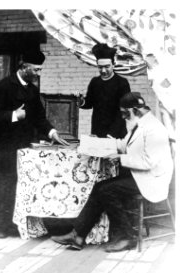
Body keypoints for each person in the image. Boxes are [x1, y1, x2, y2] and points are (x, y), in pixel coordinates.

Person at [51, 92, 173, 252]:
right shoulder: (139, 123)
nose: (122, 117)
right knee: (99, 187)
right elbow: (124, 145)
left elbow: (148, 162)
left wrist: (120, 158)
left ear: (134, 110)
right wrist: (98, 144)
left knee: (107, 190)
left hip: (152, 180)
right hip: (140, 176)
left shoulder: (154, 129)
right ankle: (78, 235)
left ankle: (127, 236)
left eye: (124, 113)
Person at [0, 50, 69, 238]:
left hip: (24, 145)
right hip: (3, 146)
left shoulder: (32, 90)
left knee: (20, 184)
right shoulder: (4, 86)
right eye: (36, 69)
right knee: (4, 184)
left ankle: (18, 223)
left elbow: (40, 117)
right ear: (25, 67)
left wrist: (52, 132)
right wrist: (13, 115)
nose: (38, 73)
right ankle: (2, 226)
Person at [77, 43, 131, 138]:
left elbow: (124, 111)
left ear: (113, 65)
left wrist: (111, 135)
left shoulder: (122, 83)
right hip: (97, 132)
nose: (103, 71)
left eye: (107, 67)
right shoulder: (94, 82)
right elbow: (89, 104)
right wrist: (81, 101)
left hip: (117, 134)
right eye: (100, 67)